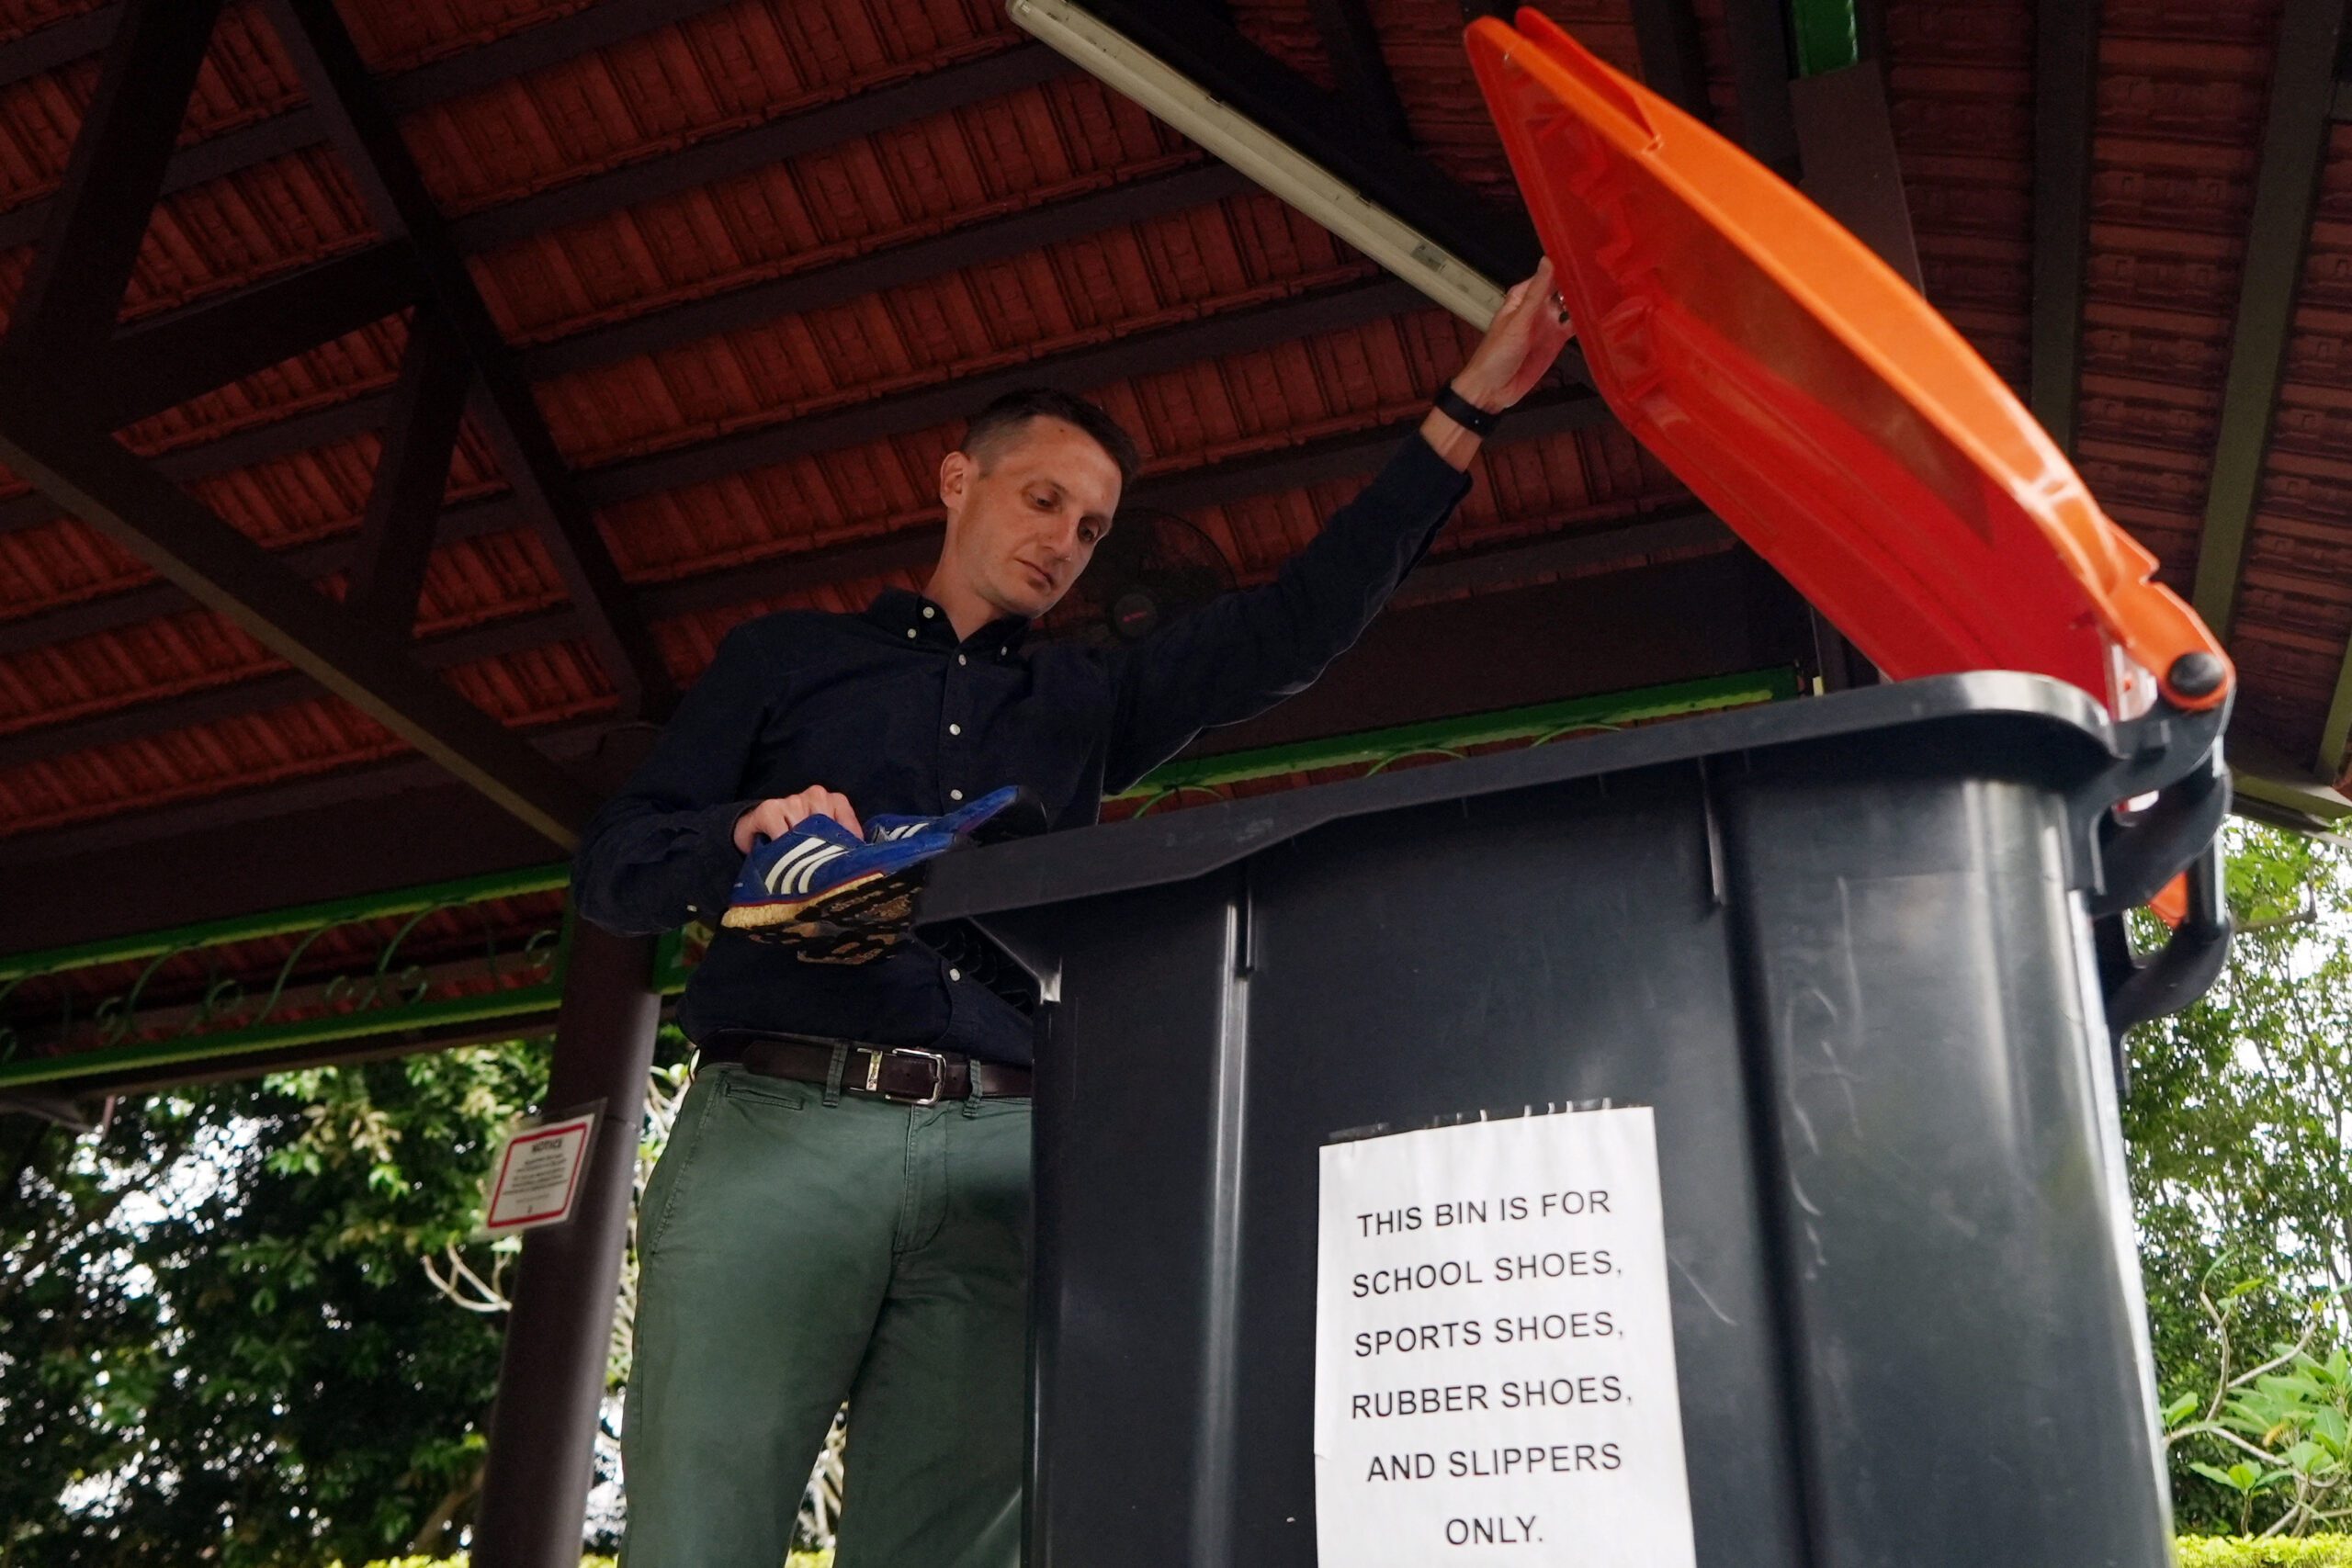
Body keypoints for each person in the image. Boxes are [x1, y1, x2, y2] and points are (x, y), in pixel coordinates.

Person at [571, 260, 1576, 1568]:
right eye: (1043, 498)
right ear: (956, 482)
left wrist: (1467, 411)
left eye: (1094, 528)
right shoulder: (784, 659)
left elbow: (1295, 626)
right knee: (699, 1538)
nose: (1063, 539)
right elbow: (614, 868)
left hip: (1008, 1151)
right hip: (779, 1129)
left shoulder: (1086, 701)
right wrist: (736, 837)